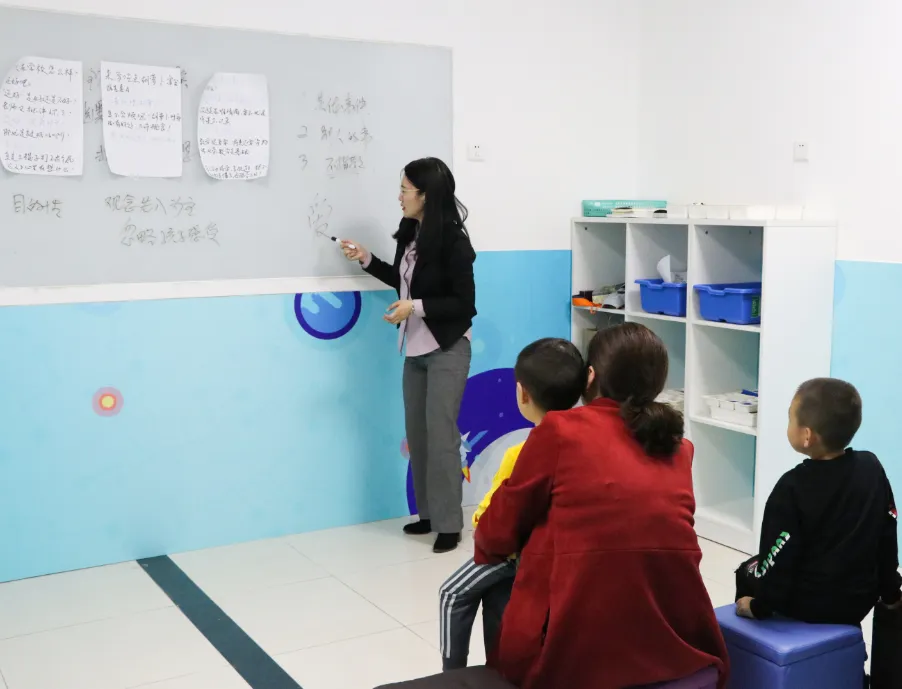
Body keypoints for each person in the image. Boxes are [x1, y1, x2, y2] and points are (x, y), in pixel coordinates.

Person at [474, 322, 729, 689]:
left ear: (590, 376)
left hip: (577, 650)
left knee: (500, 581)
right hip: (675, 633)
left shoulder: (560, 430)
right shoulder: (679, 447)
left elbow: (498, 532)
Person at [342, 158, 476, 553]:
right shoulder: (411, 233)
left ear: (426, 195)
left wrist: (413, 308)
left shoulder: (454, 242)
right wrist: (367, 259)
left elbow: (464, 304)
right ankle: (428, 515)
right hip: (414, 348)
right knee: (418, 435)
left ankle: (449, 525)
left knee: (442, 437)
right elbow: (403, 282)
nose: (399, 196)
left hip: (447, 348)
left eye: (405, 190)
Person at [439, 338, 587, 671]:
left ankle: (453, 675)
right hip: (561, 551)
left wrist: (479, 522)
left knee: (451, 593)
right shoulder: (586, 442)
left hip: (516, 553)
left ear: (522, 394)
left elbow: (498, 518)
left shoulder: (522, 452)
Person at [734, 378, 902, 626]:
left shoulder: (791, 487)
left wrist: (759, 606)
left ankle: (758, 635)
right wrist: (891, 592)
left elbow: (777, 557)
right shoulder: (871, 467)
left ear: (807, 435)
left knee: (746, 571)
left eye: (790, 418)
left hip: (808, 605)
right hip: (860, 599)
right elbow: (887, 532)